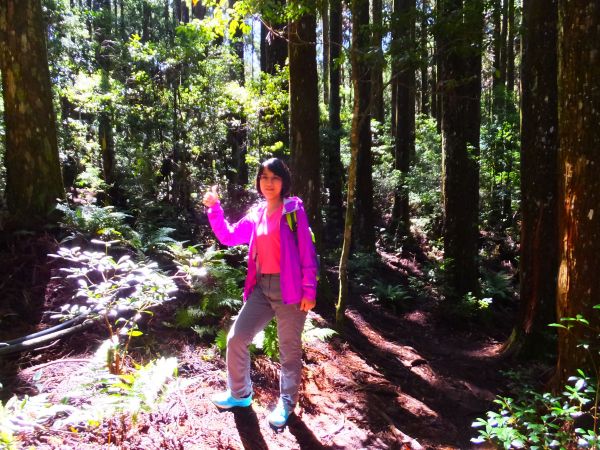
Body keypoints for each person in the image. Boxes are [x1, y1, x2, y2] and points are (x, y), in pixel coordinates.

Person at [202, 157, 318, 428]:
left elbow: (306, 252)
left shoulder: (293, 211)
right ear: (258, 181)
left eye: (274, 177)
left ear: (283, 181)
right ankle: (240, 395)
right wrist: (214, 208)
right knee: (237, 338)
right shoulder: (256, 214)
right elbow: (228, 236)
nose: (269, 183)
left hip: (290, 289)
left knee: (288, 351)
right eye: (264, 177)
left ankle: (286, 404)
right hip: (261, 289)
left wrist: (309, 290)